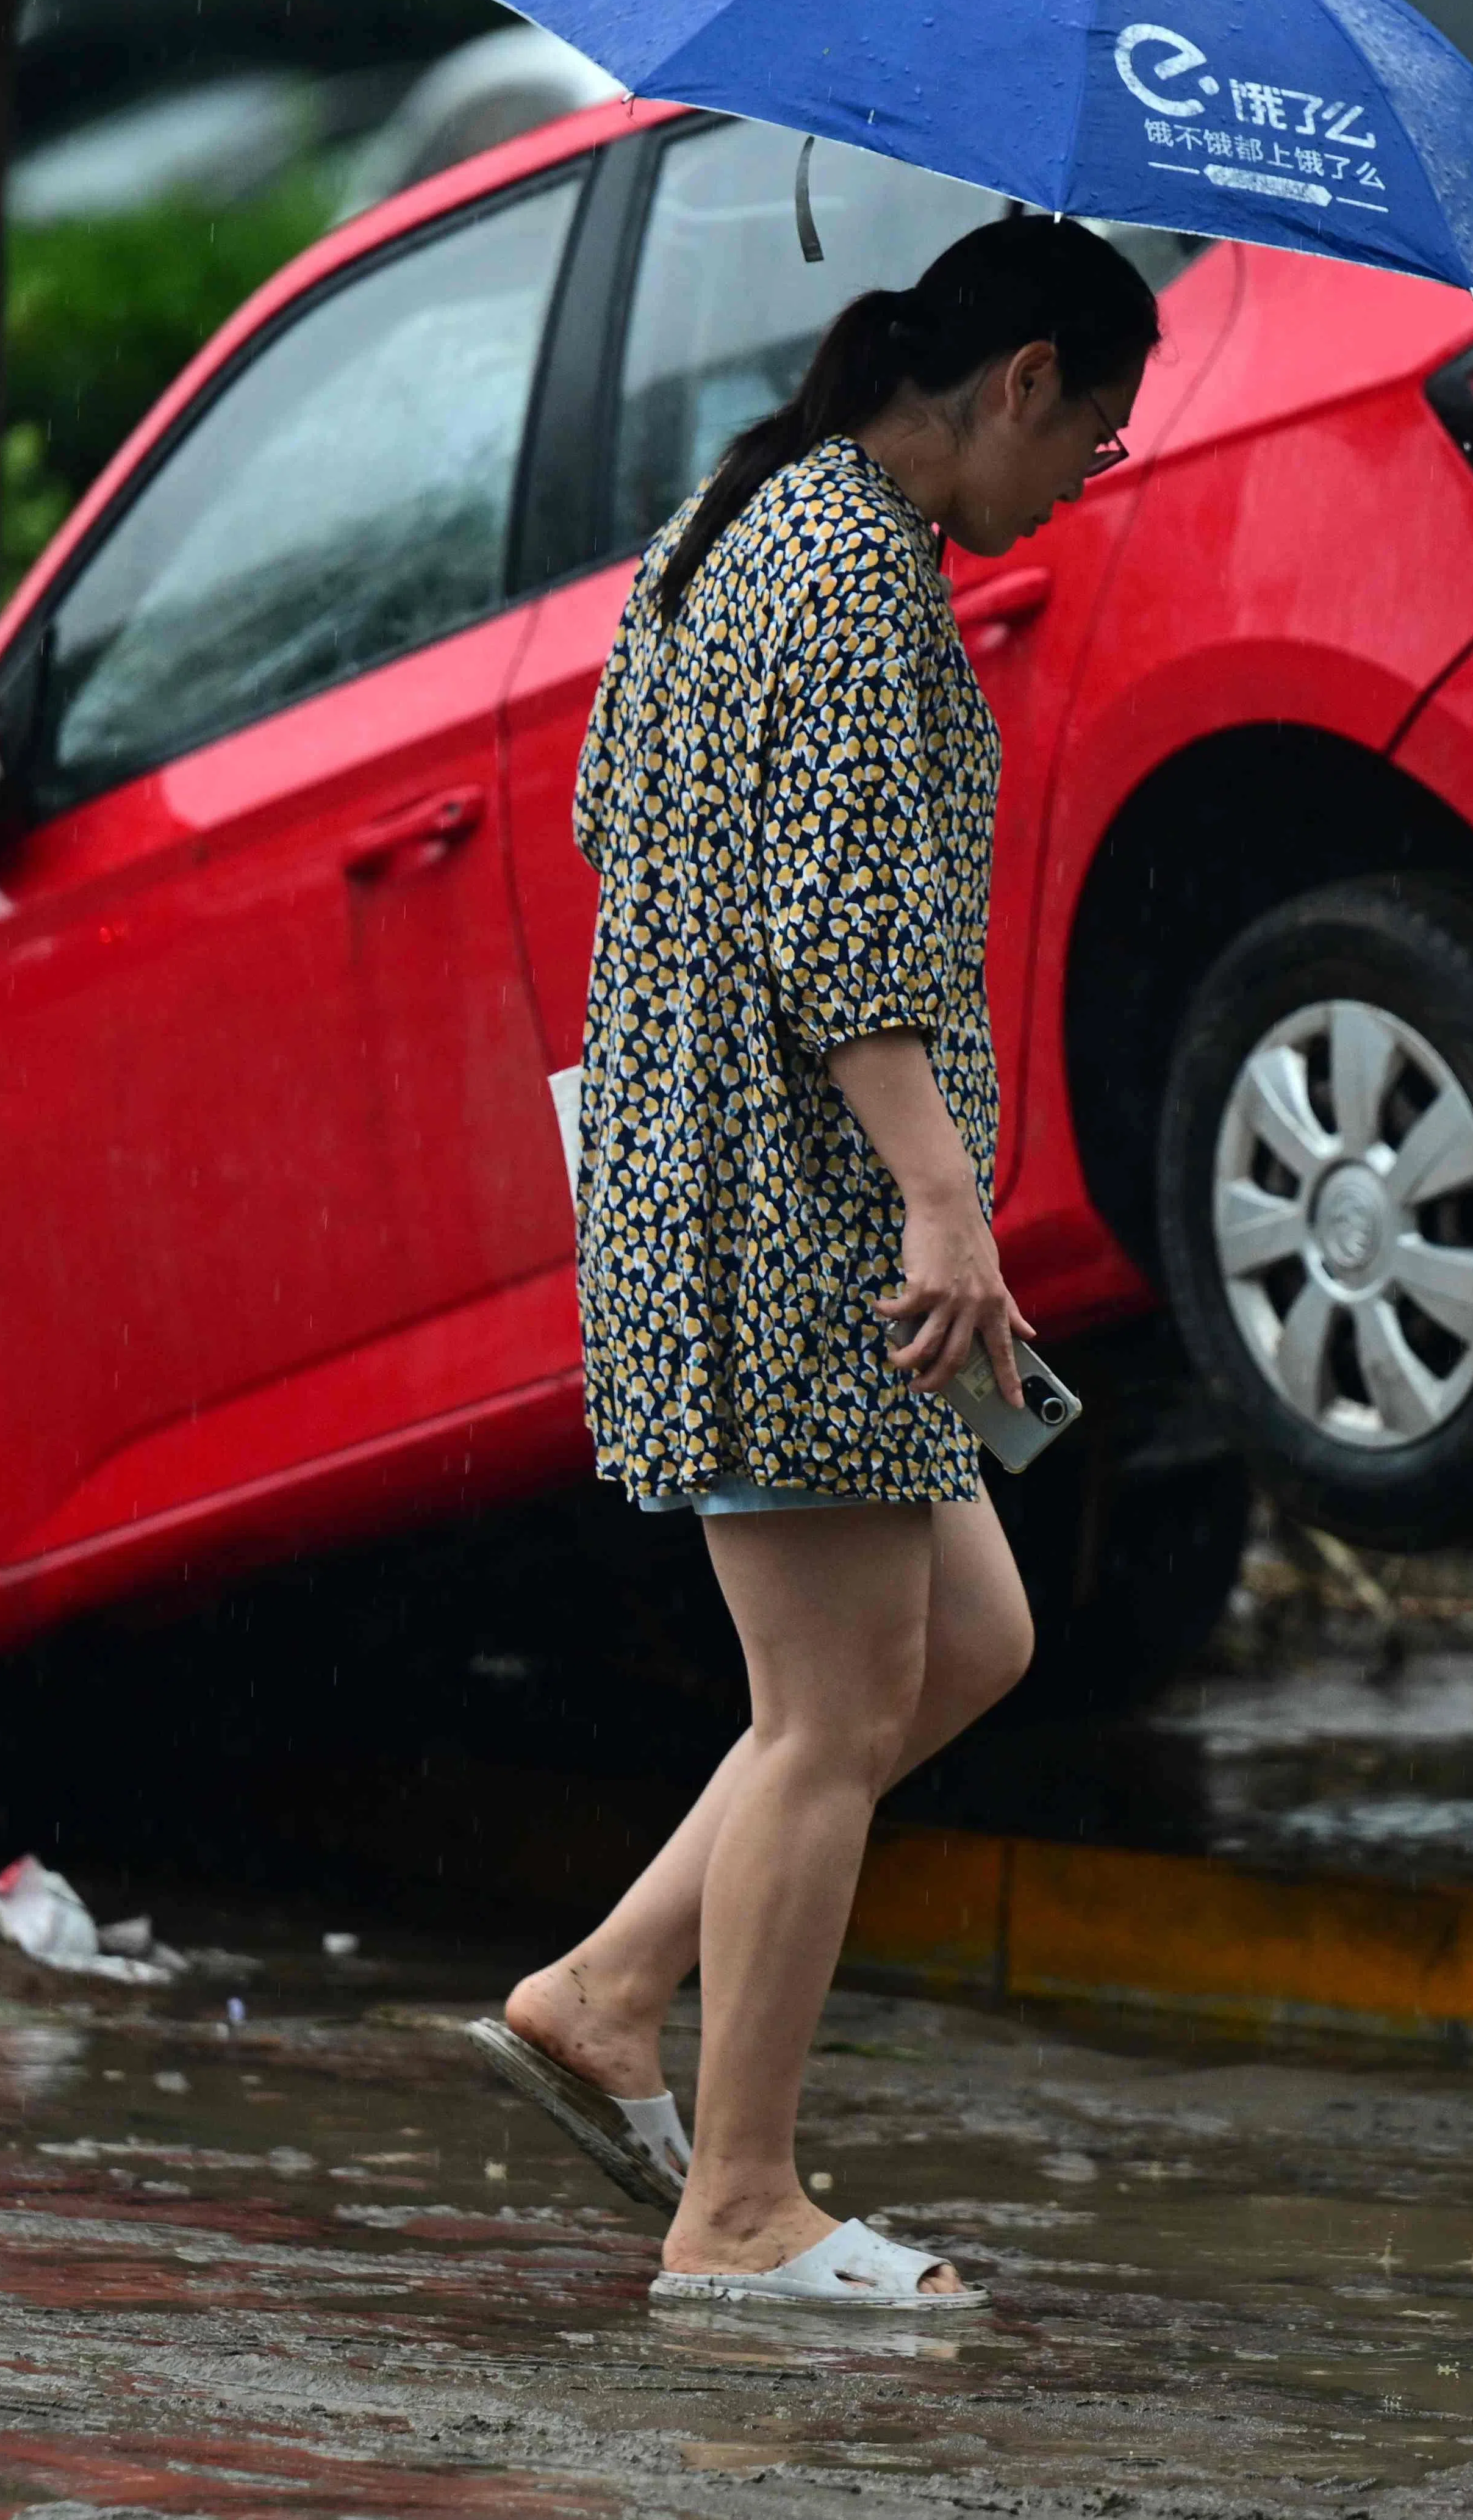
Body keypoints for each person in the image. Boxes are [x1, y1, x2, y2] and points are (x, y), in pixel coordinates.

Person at [468, 214, 1161, 2314]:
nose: (1083, 485)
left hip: (697, 1168)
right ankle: (741, 2202)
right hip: (792, 1205)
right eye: (1096, 436)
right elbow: (850, 941)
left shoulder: (732, 511)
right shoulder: (854, 575)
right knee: (829, 1705)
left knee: (965, 1633)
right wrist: (943, 1199)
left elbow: (607, 804)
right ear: (1019, 378)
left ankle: (605, 1987)